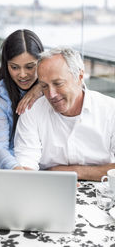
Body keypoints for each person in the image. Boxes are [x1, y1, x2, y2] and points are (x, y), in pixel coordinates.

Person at [14, 47, 115, 181]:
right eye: (44, 86)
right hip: (48, 189)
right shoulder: (32, 113)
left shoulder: (110, 110)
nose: (51, 94)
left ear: (79, 77)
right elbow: (25, 168)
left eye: (58, 83)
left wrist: (75, 172)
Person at [0, 29, 44, 169]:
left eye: (30, 67)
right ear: (6, 65)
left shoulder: (49, 88)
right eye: (14, 67)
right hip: (15, 168)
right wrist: (17, 170)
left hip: (47, 166)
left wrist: (42, 87)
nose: (22, 75)